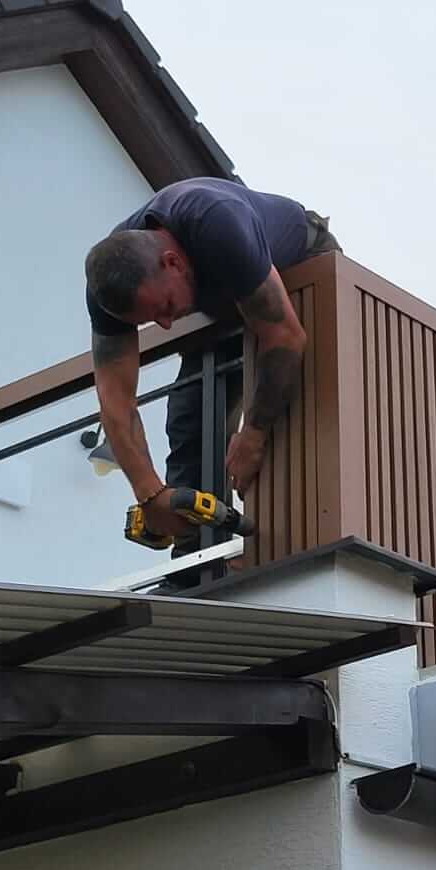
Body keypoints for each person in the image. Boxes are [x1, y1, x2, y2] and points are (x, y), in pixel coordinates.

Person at [84, 178, 340, 578]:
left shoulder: (216, 221)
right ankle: (196, 568)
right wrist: (151, 494)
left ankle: (289, 547)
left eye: (165, 307)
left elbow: (286, 337)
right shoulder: (108, 283)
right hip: (227, 303)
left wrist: (254, 433)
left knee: (294, 403)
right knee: (191, 416)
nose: (166, 324)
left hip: (301, 265)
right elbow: (115, 399)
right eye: (151, 319)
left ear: (172, 262)